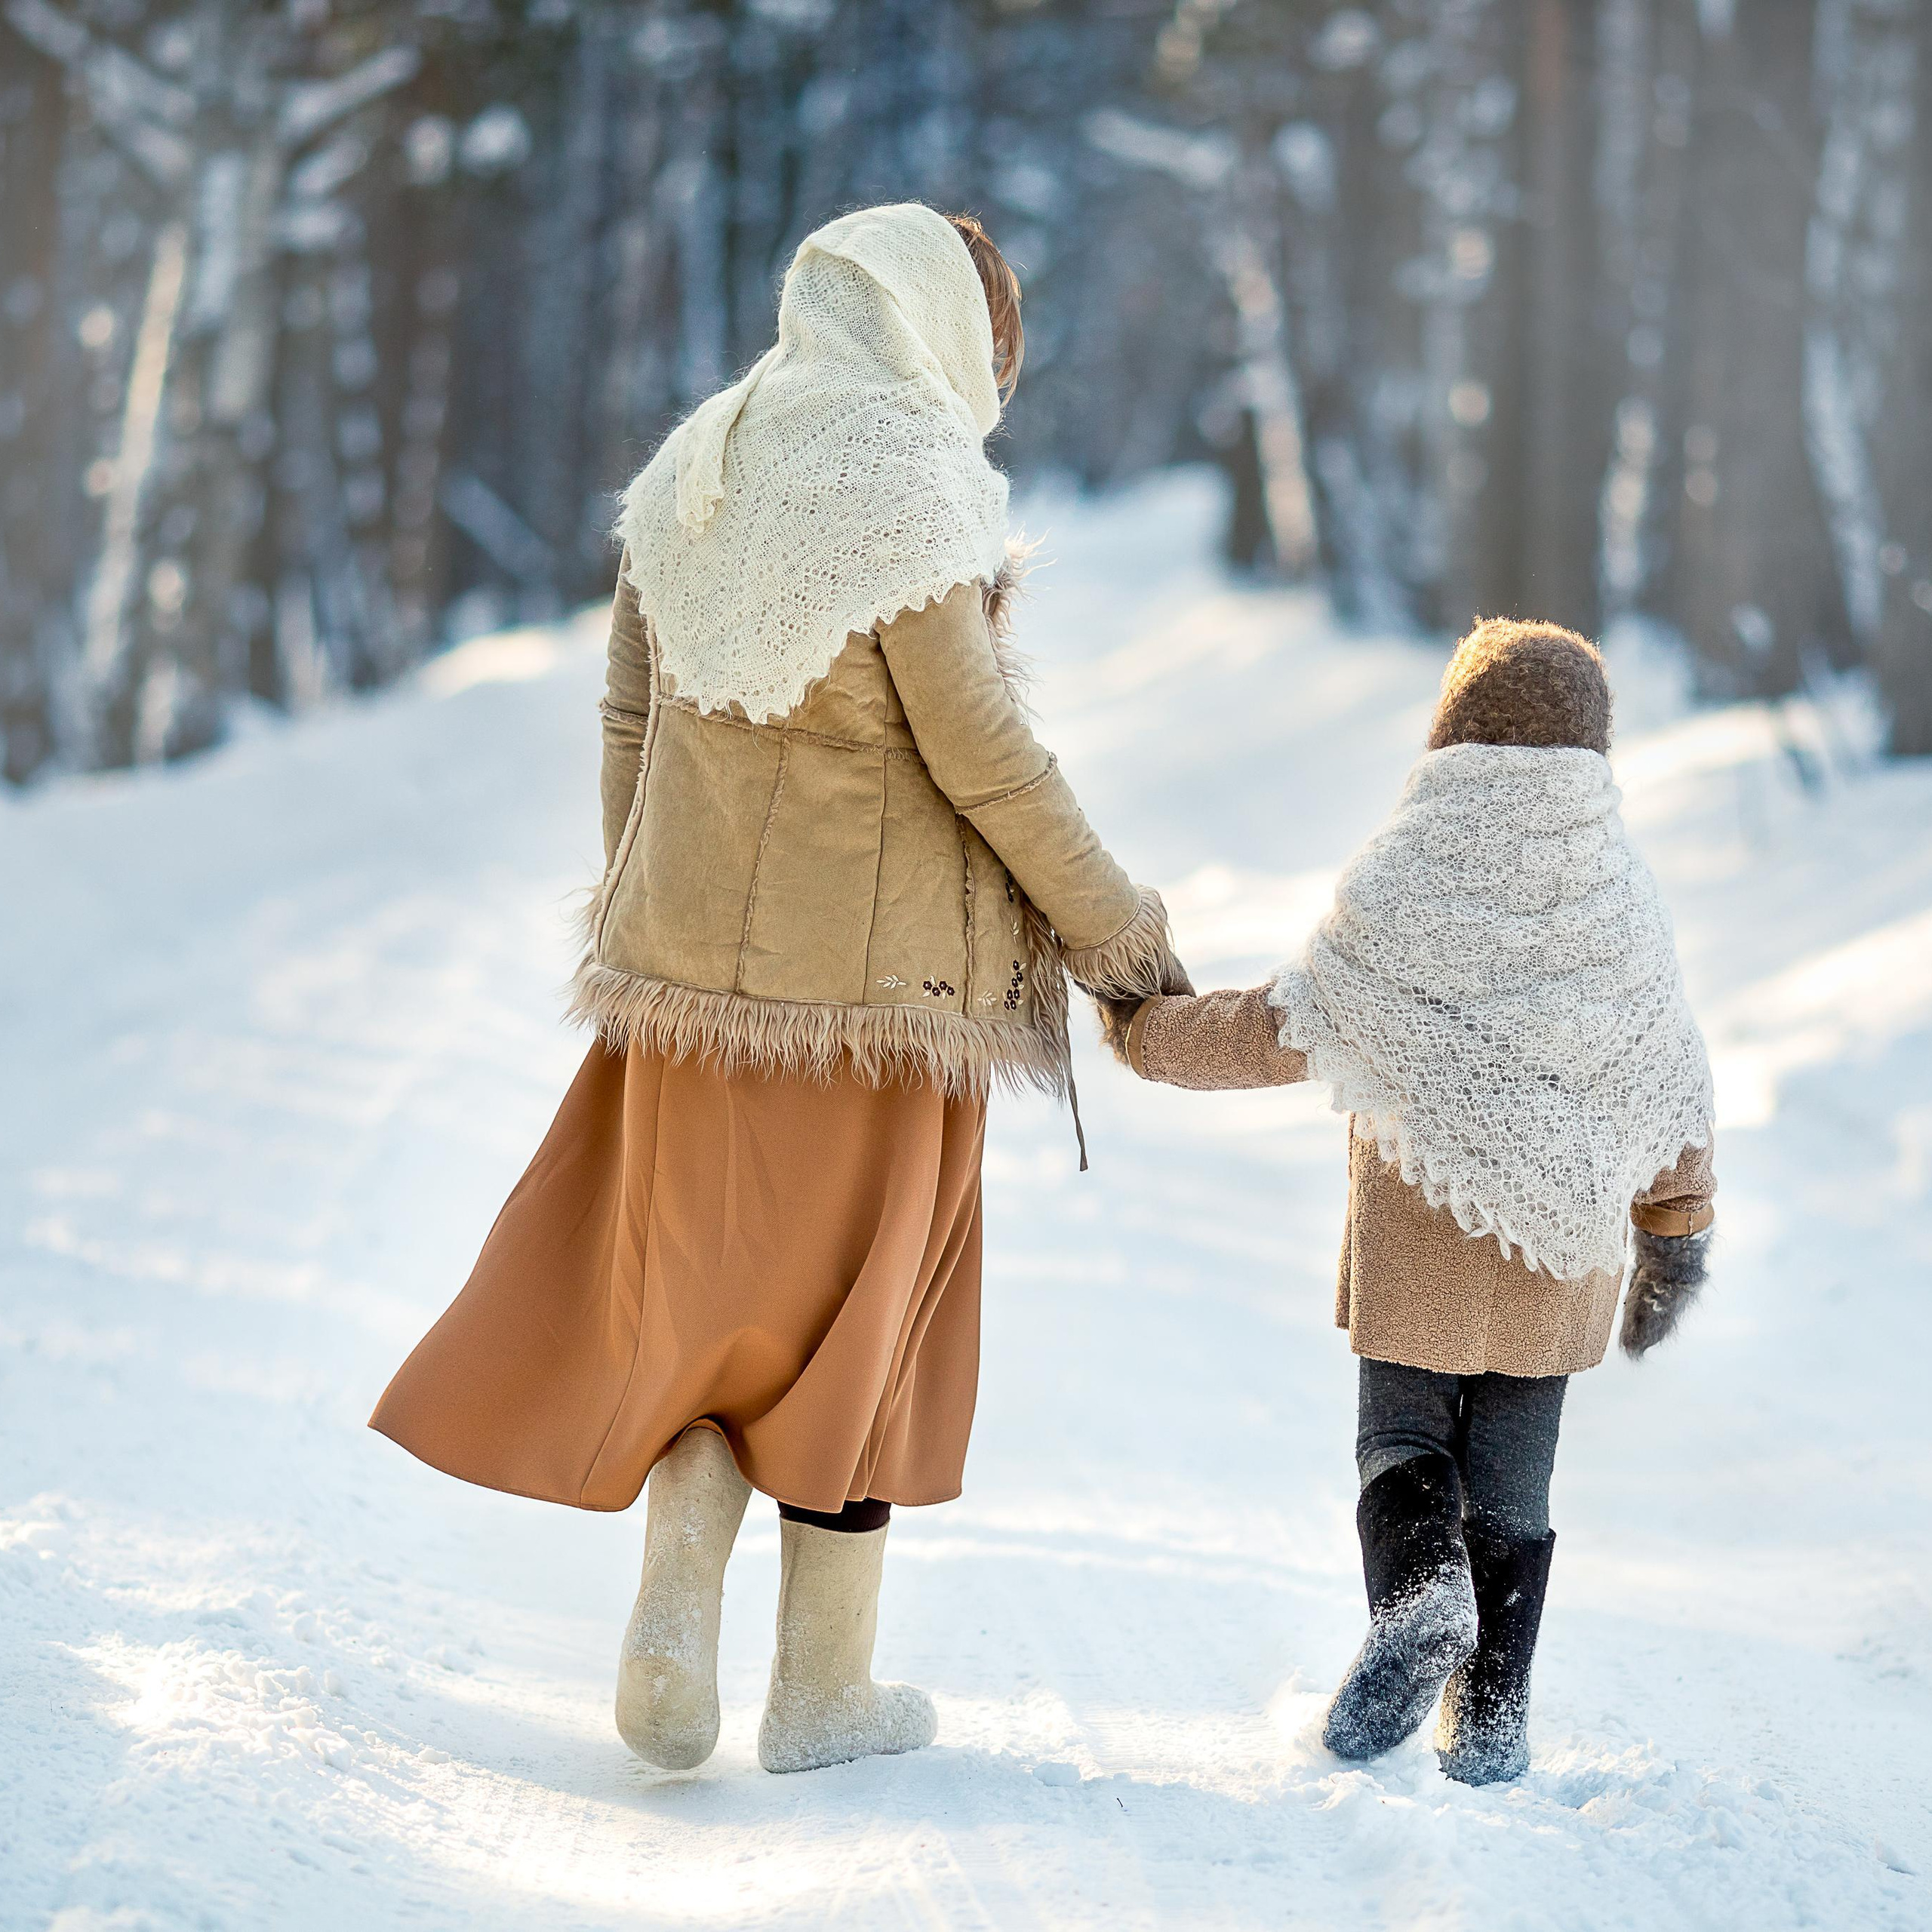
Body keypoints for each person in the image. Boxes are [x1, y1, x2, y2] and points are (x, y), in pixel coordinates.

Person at [370, 203, 1188, 1776]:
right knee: (858, 1328)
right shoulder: (912, 482)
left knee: (708, 1309)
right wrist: (1122, 942)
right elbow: (985, 755)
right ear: (949, 331)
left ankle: (681, 1568)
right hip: (882, 1010)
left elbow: (628, 714)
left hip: (682, 994)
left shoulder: (701, 465)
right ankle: (821, 1690)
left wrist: (653, 910)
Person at [1101, 619, 1715, 1785]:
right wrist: (1675, 1238)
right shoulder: (1620, 903)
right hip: (1558, 1267)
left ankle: (1422, 1597)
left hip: (1420, 1252)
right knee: (1518, 1488)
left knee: (1400, 1439)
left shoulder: (1411, 875)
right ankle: (1490, 1720)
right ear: (1596, 747)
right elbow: (1671, 1083)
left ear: (1451, 732)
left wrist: (1146, 1032)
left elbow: (1279, 1028)